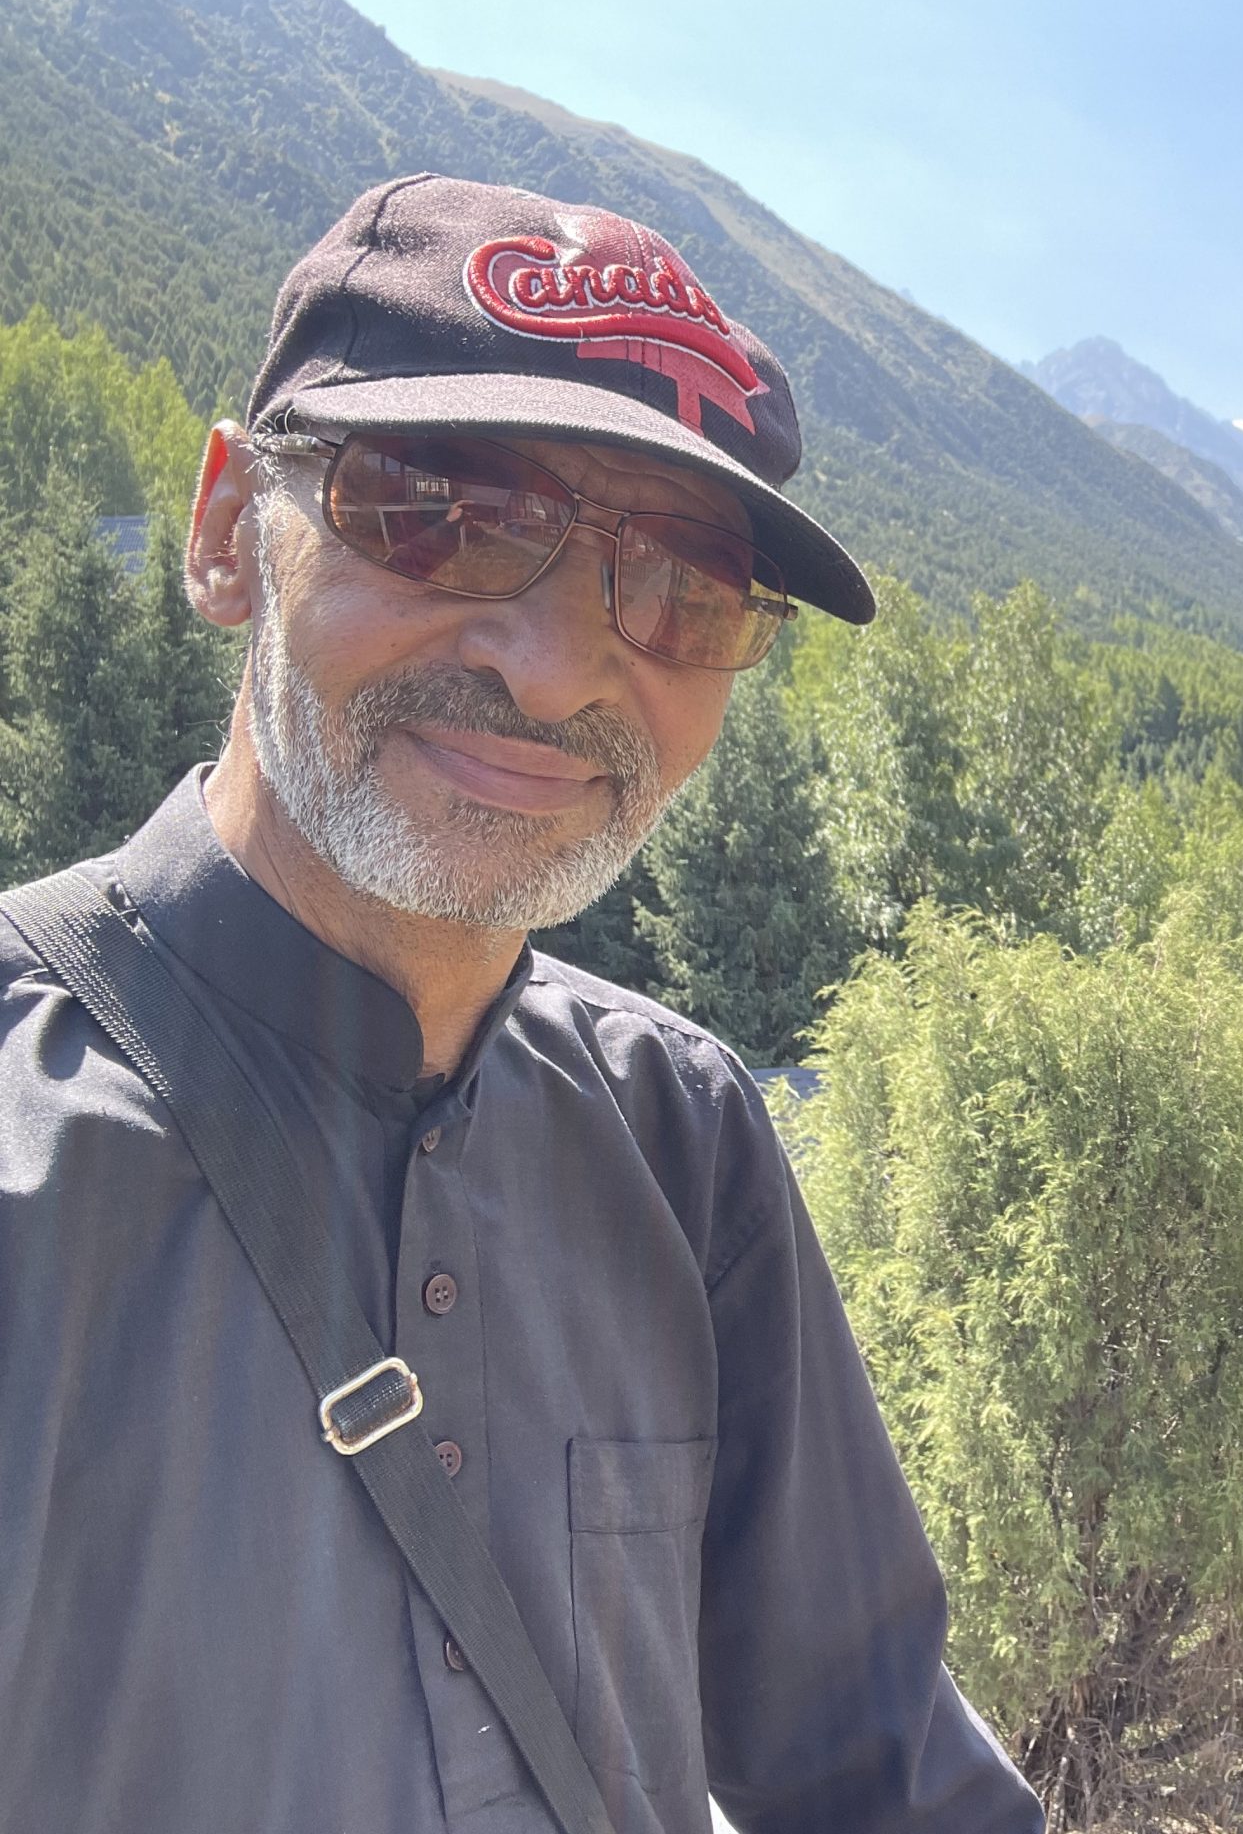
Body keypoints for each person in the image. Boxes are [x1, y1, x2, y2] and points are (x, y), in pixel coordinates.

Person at [0, 177, 1040, 1833]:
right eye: (445, 513)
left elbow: (883, 1777)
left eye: (685, 590)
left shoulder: (684, 1140)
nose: (555, 669)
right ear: (226, 527)